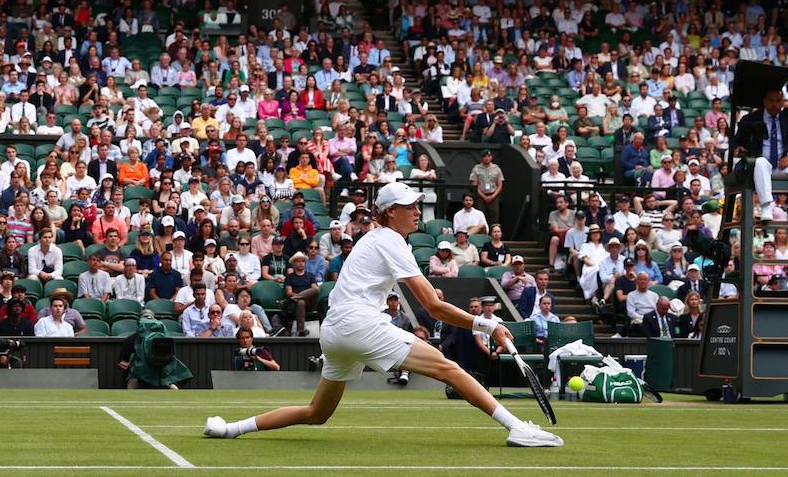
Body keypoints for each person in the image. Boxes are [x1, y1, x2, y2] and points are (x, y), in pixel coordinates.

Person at [203, 181, 562, 447]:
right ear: (391, 212)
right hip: (359, 324)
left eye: (418, 205)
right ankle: (517, 427)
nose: (418, 211)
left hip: (335, 330)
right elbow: (433, 306)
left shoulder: (375, 239)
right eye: (410, 206)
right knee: (449, 368)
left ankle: (229, 428)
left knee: (317, 413)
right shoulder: (391, 239)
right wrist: (487, 323)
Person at [734, 83, 788, 222]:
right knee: (760, 162)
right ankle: (766, 206)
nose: (775, 104)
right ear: (764, 101)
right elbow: (736, 142)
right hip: (758, 166)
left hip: (782, 166)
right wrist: (738, 148)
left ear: (783, 102)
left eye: (778, 101)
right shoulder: (750, 119)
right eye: (772, 100)